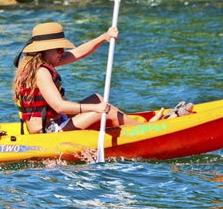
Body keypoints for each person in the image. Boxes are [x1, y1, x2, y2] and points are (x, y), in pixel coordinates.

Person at [12, 22, 162, 134]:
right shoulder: (41, 72)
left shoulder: (41, 62)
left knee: (96, 98)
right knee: (104, 110)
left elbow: (77, 53)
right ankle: (145, 130)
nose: (62, 52)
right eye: (58, 49)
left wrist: (104, 37)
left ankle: (132, 124)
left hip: (56, 122)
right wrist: (95, 109)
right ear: (43, 51)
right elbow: (59, 106)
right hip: (49, 131)